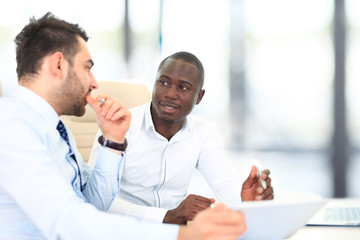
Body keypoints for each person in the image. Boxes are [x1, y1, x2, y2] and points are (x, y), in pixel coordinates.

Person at [0, 13, 247, 240]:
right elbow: (67, 221)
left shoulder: (55, 130)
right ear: (58, 65)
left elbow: (94, 203)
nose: (94, 83)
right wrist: (181, 236)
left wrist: (113, 142)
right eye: (87, 68)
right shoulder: (12, 126)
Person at [89, 51, 274, 225]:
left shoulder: (203, 132)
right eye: (163, 83)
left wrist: (246, 200)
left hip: (174, 233)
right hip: (121, 229)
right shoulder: (118, 126)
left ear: (199, 97)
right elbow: (97, 200)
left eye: (183, 88)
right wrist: (167, 216)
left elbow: (224, 184)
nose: (170, 94)